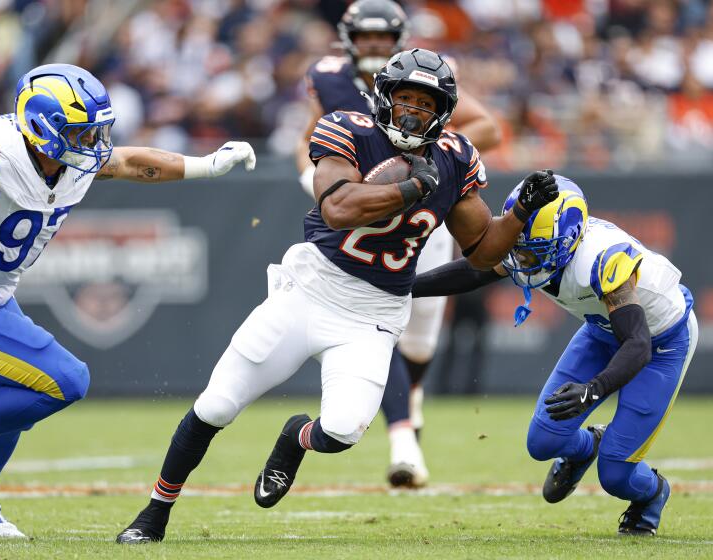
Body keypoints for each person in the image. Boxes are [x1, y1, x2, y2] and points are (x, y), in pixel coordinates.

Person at [115, 48, 558, 544]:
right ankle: (153, 513)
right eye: (405, 97)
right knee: (217, 405)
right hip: (309, 289)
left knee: (343, 430)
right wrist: (410, 189)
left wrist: (519, 213)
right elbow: (339, 208)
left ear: (444, 112)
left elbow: (480, 252)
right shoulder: (348, 129)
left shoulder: (455, 158)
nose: (413, 110)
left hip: (375, 312)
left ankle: (295, 437)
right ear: (383, 98)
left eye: (426, 102)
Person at [0, 62, 256, 538]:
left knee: (10, 404)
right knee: (68, 380)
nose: (95, 145)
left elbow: (131, 162)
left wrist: (207, 165)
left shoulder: (73, 159)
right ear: (41, 127)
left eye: (96, 133)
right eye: (82, 133)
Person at [412, 176, 696, 536]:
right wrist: (406, 288)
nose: (521, 257)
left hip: (661, 344)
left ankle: (652, 495)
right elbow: (473, 272)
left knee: (615, 475)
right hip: (602, 330)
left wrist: (593, 390)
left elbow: (638, 345)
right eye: (518, 245)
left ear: (567, 240)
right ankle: (586, 445)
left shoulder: (602, 258)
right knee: (543, 441)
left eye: (531, 249)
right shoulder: (537, 246)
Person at [296, 0, 502, 487]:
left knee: (420, 338)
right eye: (364, 37)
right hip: (361, 217)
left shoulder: (421, 78)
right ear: (347, 38)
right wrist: (319, 181)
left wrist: (426, 151)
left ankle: (408, 405)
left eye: (381, 37)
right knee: (377, 319)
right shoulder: (328, 79)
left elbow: (486, 128)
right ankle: (402, 434)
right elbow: (306, 144)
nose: (372, 46)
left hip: (421, 218)